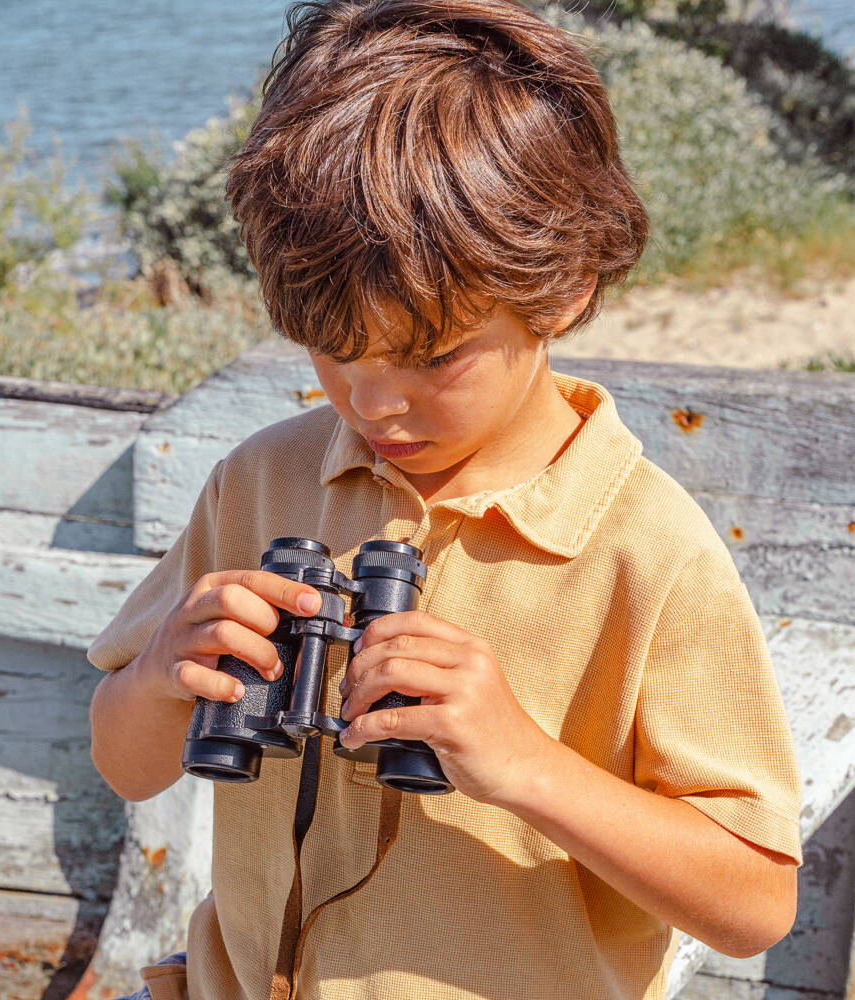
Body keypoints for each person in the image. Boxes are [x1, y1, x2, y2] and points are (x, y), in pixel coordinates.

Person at [87, 2, 802, 999]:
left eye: (429, 356)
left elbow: (754, 903)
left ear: (563, 286)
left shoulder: (647, 554)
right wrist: (163, 676)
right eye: (334, 349)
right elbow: (125, 765)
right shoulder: (258, 481)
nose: (372, 401)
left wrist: (524, 765)